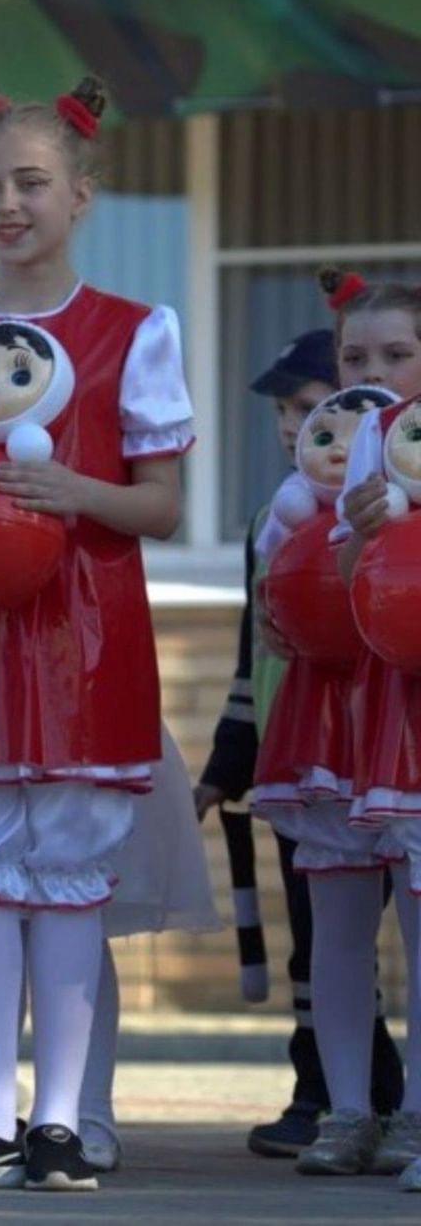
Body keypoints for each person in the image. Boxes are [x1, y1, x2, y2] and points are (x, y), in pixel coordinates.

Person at [0, 77, 194, 1192]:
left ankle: (56, 1120)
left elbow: (159, 508)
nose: (4, 204)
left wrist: (68, 489)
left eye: (28, 183)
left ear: (81, 195)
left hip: (83, 635)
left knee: (65, 874)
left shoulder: (133, 333)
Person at [201, 326, 406, 1157]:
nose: (297, 423)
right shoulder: (276, 515)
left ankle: (394, 1102)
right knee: (322, 940)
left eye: (312, 405)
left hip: (396, 744)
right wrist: (227, 763)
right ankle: (331, 1096)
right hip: (311, 749)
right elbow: (259, 648)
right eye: (289, 409)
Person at [291, 269, 421, 1185]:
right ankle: (346, 1108)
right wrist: (362, 538)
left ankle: (415, 1115)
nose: (373, 370)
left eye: (398, 354)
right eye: (354, 355)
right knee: (338, 923)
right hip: (376, 700)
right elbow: (340, 574)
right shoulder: (365, 437)